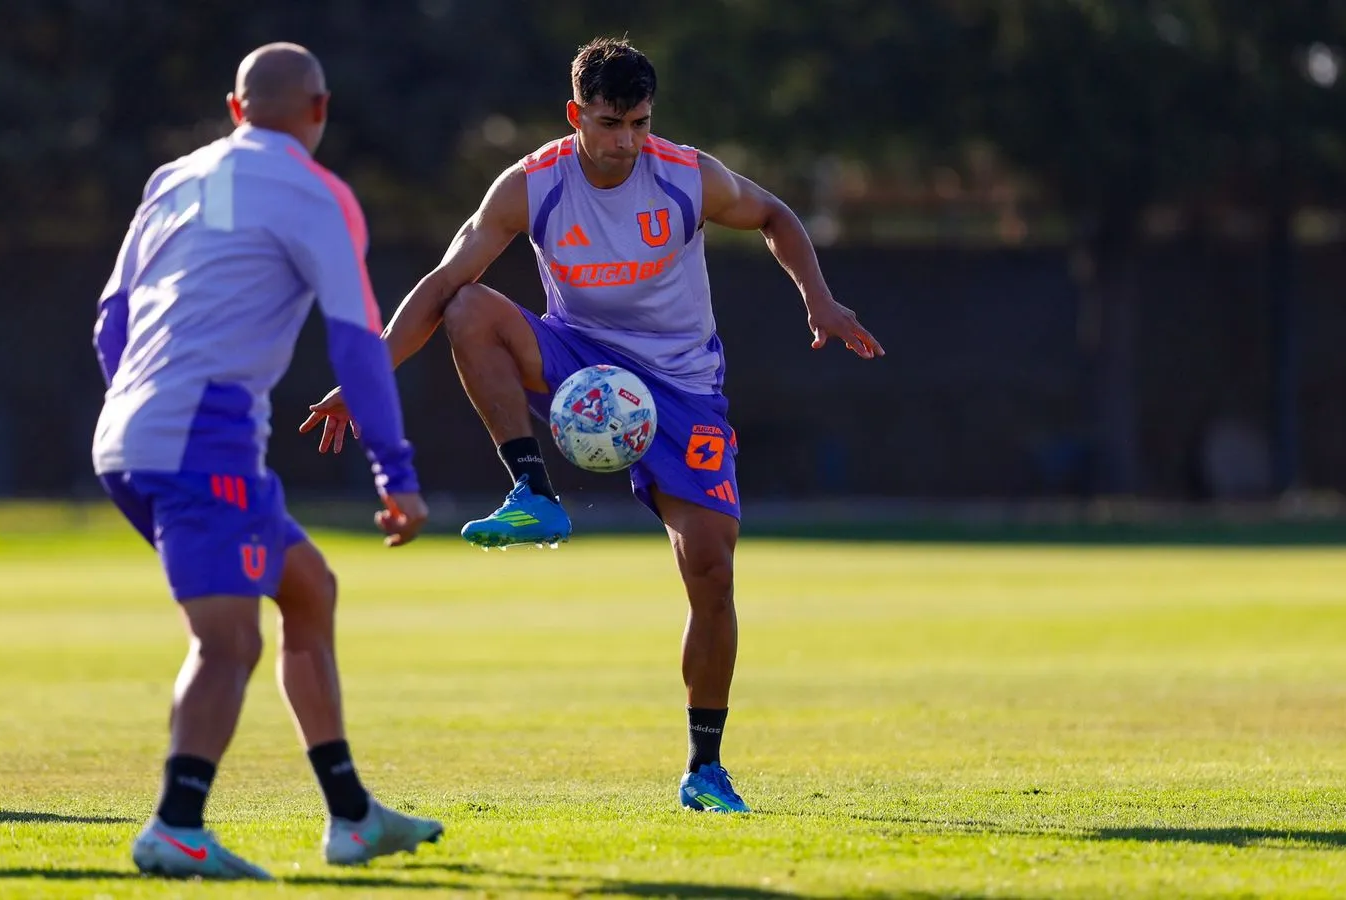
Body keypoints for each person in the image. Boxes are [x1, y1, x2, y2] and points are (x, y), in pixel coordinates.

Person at [302, 37, 885, 815]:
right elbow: (444, 281)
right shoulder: (532, 184)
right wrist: (363, 382)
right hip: (579, 363)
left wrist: (818, 298)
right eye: (612, 124)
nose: (628, 142)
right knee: (471, 307)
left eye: (640, 122)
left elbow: (775, 214)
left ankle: (704, 768)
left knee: (710, 572)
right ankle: (532, 490)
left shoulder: (685, 174)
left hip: (683, 389)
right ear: (577, 116)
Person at [93, 42, 443, 879]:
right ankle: (176, 826)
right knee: (227, 642)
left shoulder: (175, 178)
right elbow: (358, 344)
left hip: (129, 433)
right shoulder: (318, 194)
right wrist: (395, 474)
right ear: (320, 110)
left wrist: (141, 413)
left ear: (235, 108)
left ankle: (352, 815)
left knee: (307, 588)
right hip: (201, 439)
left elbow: (111, 320)